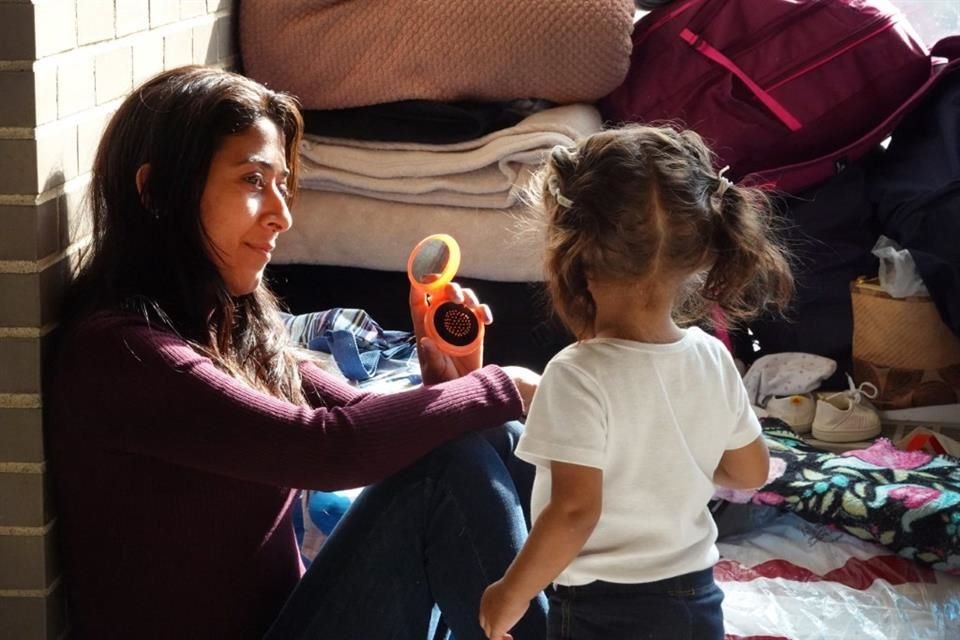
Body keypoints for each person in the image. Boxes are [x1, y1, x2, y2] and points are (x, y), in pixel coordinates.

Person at [46, 65, 547, 640]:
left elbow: (360, 421)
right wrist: (500, 386)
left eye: (282, 183)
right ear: (157, 191)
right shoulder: (119, 353)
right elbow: (326, 446)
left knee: (479, 436)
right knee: (450, 464)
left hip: (286, 619)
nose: (282, 214)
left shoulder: (226, 321)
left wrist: (448, 383)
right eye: (253, 181)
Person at [479, 125, 795, 640]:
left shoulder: (576, 374)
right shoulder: (712, 358)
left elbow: (576, 511)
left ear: (570, 257)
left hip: (604, 609)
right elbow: (749, 471)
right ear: (697, 253)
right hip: (696, 599)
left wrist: (508, 596)